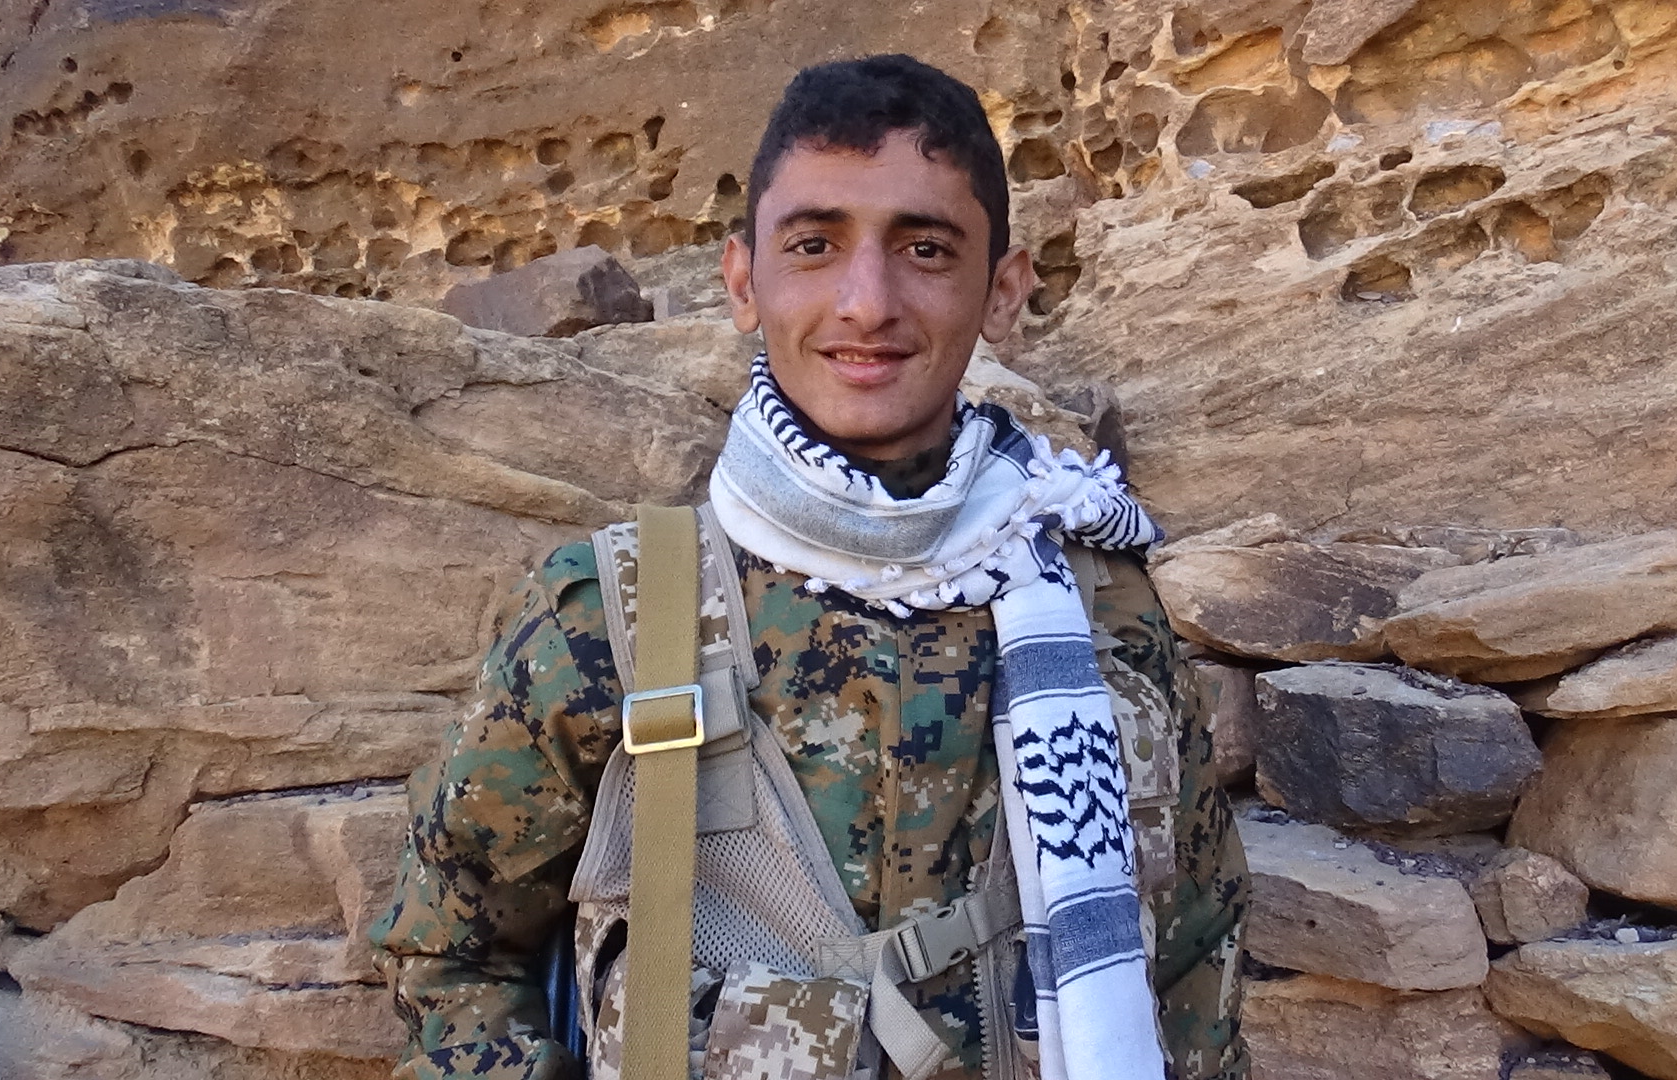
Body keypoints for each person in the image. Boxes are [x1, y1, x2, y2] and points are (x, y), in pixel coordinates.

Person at [371, 53, 1249, 1080]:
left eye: (926, 249)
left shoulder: (1098, 607)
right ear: (744, 280)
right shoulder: (613, 616)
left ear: (1004, 292)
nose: (866, 302)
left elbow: (1195, 956)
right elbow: (450, 958)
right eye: (815, 245)